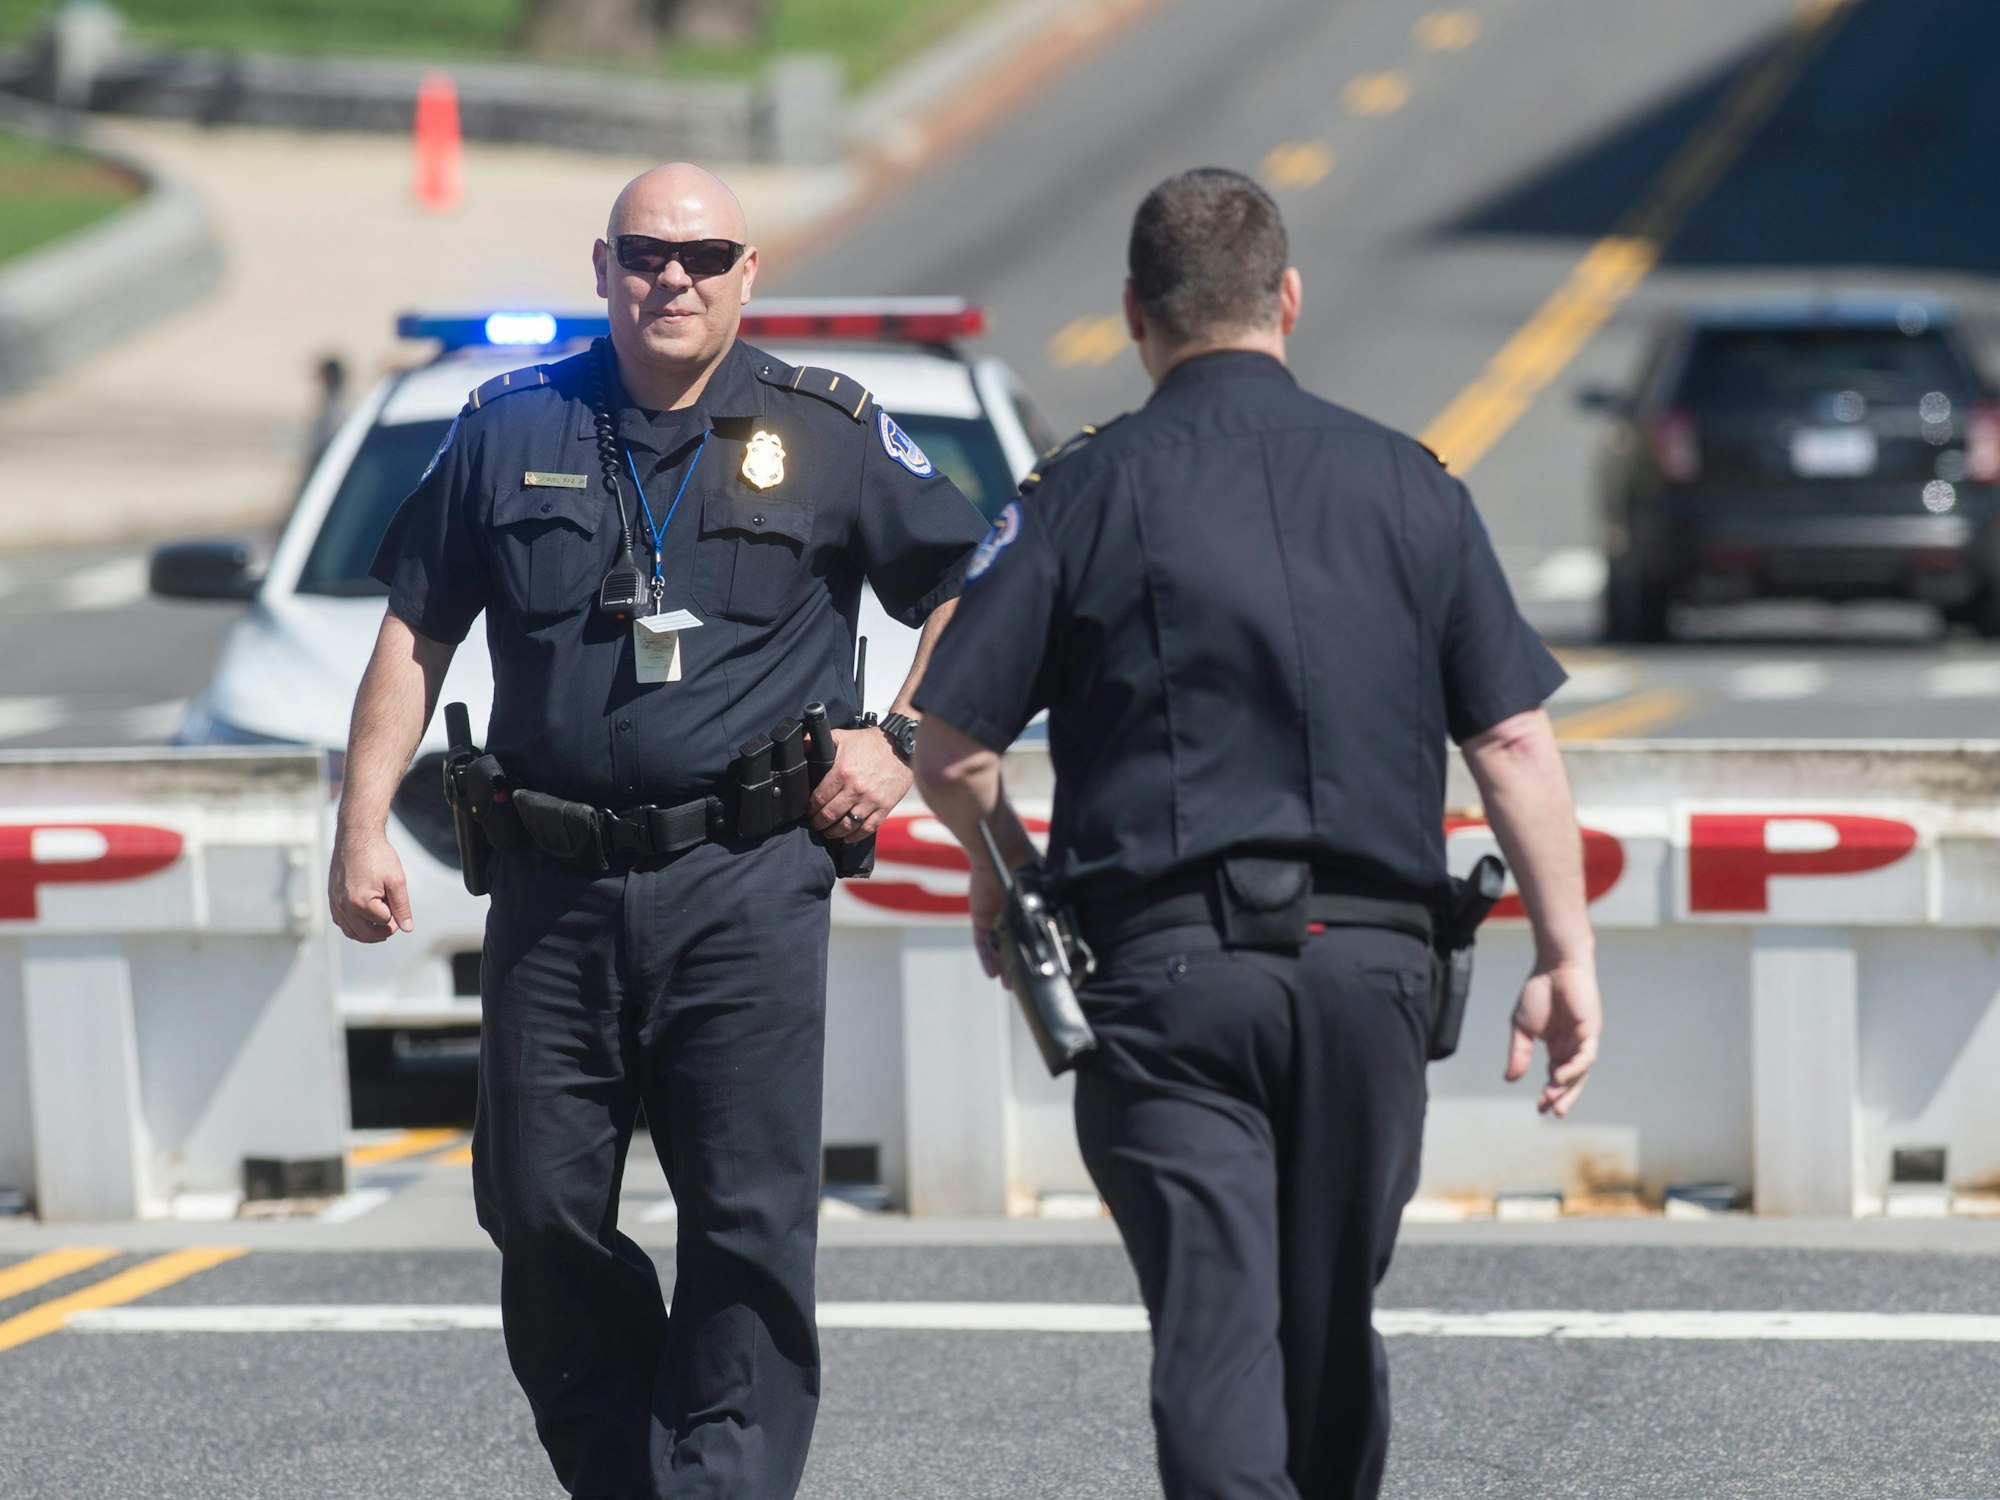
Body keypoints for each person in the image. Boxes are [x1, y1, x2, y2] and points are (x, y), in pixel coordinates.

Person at [911, 168, 1603, 1500]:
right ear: (1288, 299)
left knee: (1219, 1329)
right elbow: (1513, 742)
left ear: (1132, 313)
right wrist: (1567, 955)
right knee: (1331, 1321)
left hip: (1168, 984)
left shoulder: (1083, 491)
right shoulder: (1413, 487)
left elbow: (954, 751)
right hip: (1373, 980)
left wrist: (1012, 890)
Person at [328, 163, 990, 1500]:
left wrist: (901, 738)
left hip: (745, 883)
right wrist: (358, 828)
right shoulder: (510, 424)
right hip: (553, 891)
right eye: (645, 256)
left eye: (704, 256)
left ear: (750, 274)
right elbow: (416, 628)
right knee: (538, 1211)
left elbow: (977, 588)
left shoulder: (830, 429)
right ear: (601, 268)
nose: (671, 279)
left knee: (746, 1224)